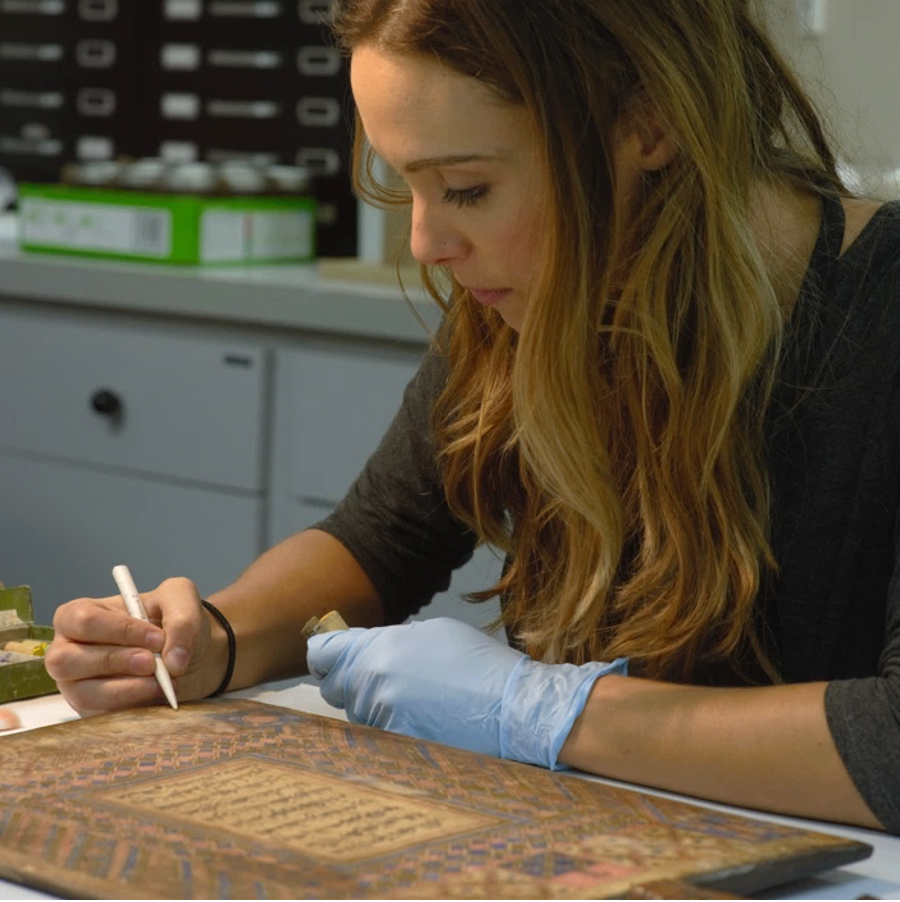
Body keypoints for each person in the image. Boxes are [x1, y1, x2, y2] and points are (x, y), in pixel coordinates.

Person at [45, 0, 900, 834]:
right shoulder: (527, 300)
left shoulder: (883, 310)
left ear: (649, 123)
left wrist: (546, 712)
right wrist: (211, 641)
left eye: (467, 186)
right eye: (408, 185)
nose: (426, 245)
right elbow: (378, 541)